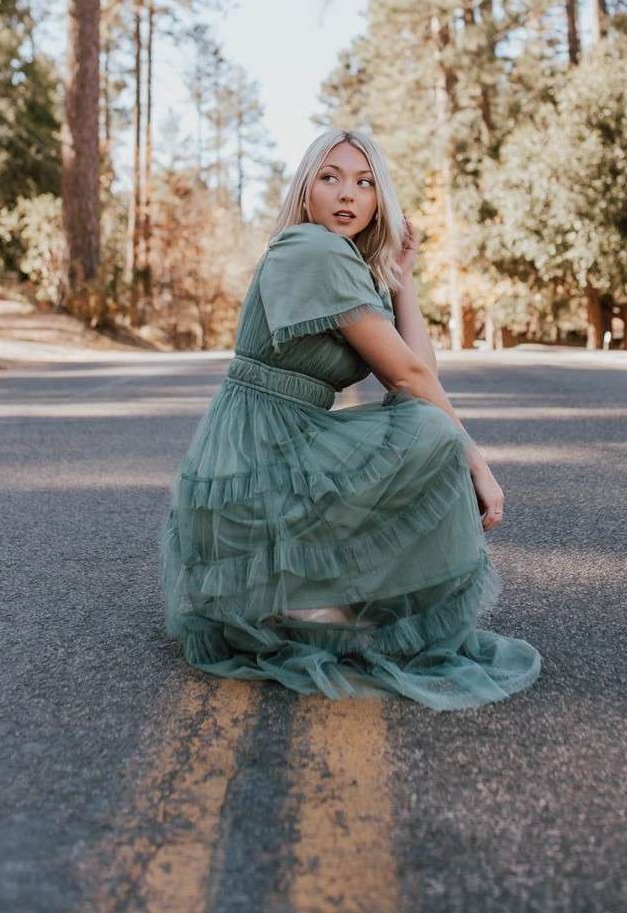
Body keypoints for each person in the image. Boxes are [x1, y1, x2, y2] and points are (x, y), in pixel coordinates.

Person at [160, 128, 542, 710]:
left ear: (380, 200)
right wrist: (479, 463)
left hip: (275, 448)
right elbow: (410, 381)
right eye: (330, 178)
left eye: (365, 183)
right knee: (435, 434)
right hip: (261, 457)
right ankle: (287, 593)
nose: (348, 195)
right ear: (305, 190)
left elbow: (417, 371)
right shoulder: (313, 249)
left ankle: (290, 594)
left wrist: (403, 279)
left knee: (425, 428)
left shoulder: (348, 266)